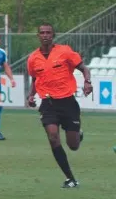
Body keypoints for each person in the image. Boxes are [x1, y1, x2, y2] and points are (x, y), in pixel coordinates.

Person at [26, 23, 92, 188]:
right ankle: (70, 178)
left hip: (68, 102)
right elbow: (35, 79)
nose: (45, 35)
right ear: (38, 36)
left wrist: (87, 82)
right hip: (48, 104)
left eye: (48, 32)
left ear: (53, 35)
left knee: (73, 145)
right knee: (53, 136)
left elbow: (84, 68)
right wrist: (31, 95)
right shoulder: (33, 58)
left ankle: (78, 133)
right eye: (42, 32)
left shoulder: (65, 51)